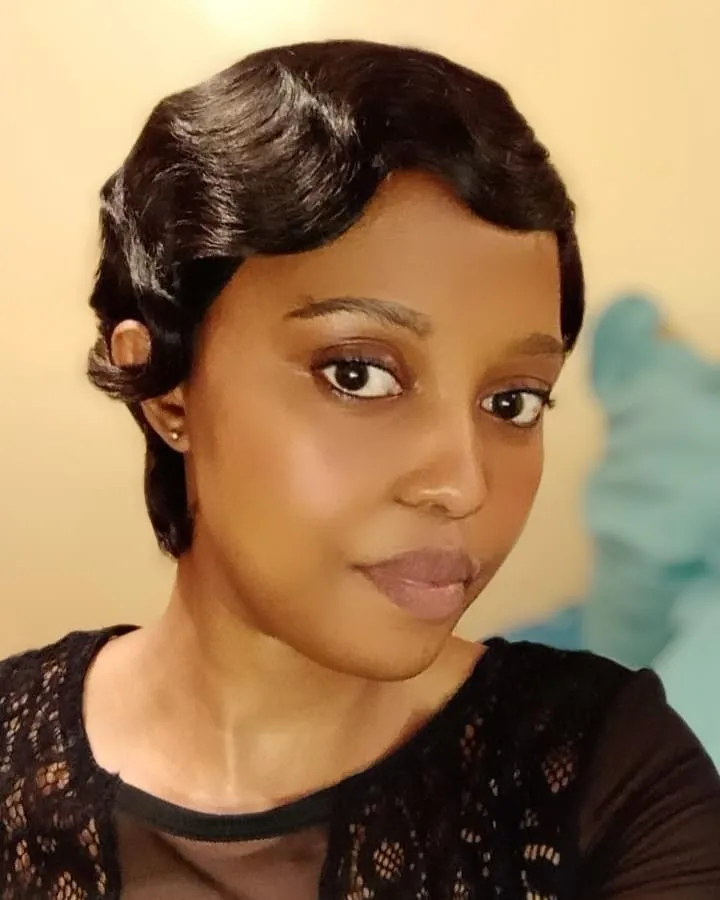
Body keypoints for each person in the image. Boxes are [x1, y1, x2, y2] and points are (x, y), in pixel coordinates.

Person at [1, 39, 718, 899]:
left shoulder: (614, 774)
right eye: (358, 375)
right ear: (168, 390)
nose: (463, 485)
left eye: (513, 400)